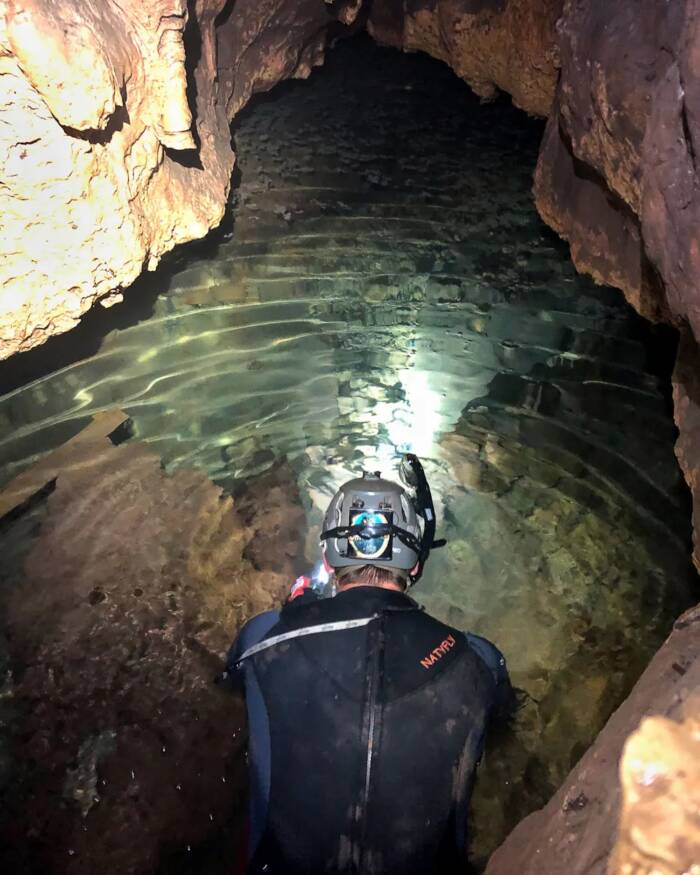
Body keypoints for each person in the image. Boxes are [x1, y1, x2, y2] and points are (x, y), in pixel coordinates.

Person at [224, 456, 512, 875]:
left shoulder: (263, 639)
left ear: (327, 557)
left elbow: (234, 682)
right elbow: (504, 721)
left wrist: (297, 614)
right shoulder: (480, 660)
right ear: (415, 564)